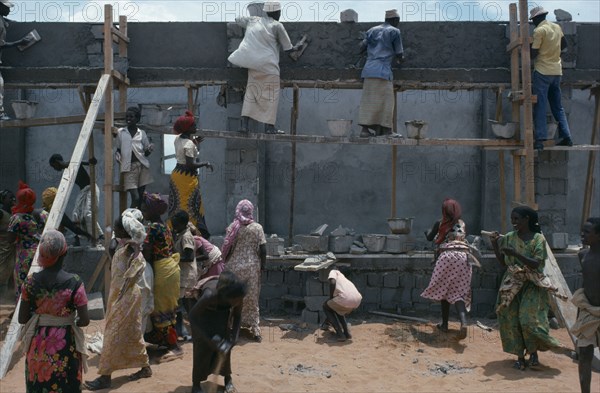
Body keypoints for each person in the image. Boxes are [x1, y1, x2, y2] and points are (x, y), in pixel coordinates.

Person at [85, 209, 153, 390]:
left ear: (126, 231)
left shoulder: (132, 249)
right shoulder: (122, 246)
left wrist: (134, 245)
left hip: (126, 298)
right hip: (120, 296)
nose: (114, 232)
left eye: (117, 229)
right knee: (133, 333)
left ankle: (105, 376)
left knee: (112, 335)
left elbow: (133, 270)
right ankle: (145, 367)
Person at [18, 229, 90, 393]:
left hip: (38, 345)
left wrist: (42, 317)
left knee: (40, 384)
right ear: (64, 254)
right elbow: (85, 320)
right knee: (66, 385)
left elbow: (22, 318)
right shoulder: (75, 282)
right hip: (65, 344)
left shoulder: (30, 282)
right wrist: (69, 320)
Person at [490, 206, 561, 370]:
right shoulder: (508, 237)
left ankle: (534, 352)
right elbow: (503, 262)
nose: (513, 222)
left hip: (532, 284)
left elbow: (536, 263)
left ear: (527, 219)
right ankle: (520, 357)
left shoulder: (538, 239)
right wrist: (495, 245)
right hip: (511, 284)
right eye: (512, 219)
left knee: (528, 320)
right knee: (511, 319)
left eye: (517, 219)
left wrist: (516, 254)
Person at [228, 1, 300, 134]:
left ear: (266, 12)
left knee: (251, 94)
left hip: (253, 66)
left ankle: (244, 126)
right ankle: (269, 128)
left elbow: (237, 19)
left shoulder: (253, 20)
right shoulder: (278, 26)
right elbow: (288, 49)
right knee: (271, 97)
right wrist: (298, 47)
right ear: (278, 13)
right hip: (269, 67)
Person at [140, 192, 183, 361]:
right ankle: (166, 342)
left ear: (152, 211)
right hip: (171, 268)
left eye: (145, 209)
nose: (143, 213)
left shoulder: (153, 228)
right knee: (169, 309)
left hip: (163, 271)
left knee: (161, 309)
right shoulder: (165, 226)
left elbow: (147, 252)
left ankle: (175, 347)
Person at [188, 271, 246, 393]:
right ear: (226, 296)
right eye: (235, 300)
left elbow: (237, 315)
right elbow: (192, 317)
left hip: (221, 315)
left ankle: (228, 378)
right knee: (201, 348)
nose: (237, 302)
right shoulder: (210, 295)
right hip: (201, 315)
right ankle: (196, 385)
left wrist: (234, 338)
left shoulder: (237, 294)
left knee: (225, 347)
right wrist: (208, 338)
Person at [421, 220, 478, 340]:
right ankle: (463, 323)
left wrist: (427, 232)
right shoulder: (462, 223)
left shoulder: (441, 223)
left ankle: (445, 324)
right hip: (464, 256)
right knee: (458, 293)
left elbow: (432, 238)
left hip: (447, 256)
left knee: (444, 289)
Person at [529, 6, 573, 150]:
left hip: (542, 72)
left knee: (540, 105)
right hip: (556, 72)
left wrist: (524, 51)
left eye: (533, 20)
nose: (533, 23)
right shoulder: (556, 27)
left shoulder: (539, 31)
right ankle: (567, 136)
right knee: (557, 106)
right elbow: (565, 47)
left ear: (536, 19)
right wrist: (554, 55)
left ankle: (540, 140)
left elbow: (533, 54)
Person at [222, 199, 266, 341]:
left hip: (233, 268)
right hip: (252, 268)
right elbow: (263, 249)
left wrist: (224, 264)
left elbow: (226, 249)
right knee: (251, 298)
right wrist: (263, 266)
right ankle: (255, 330)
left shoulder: (233, 227)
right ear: (250, 211)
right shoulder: (257, 228)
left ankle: (229, 328)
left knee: (232, 298)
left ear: (238, 210)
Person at [358, 9, 404, 138]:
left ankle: (365, 131)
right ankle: (387, 131)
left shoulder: (371, 30)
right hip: (383, 71)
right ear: (395, 20)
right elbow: (399, 53)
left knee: (368, 101)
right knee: (387, 101)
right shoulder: (394, 31)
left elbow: (361, 48)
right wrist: (401, 59)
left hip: (368, 70)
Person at [168, 111, 213, 239]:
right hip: (186, 178)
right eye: (194, 126)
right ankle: (193, 235)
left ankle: (173, 234)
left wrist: (194, 143)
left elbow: (183, 151)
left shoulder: (179, 139)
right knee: (191, 206)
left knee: (178, 206)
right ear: (188, 128)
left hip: (177, 175)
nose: (196, 128)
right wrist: (205, 163)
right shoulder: (188, 144)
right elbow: (190, 165)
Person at [49, 153, 104, 242]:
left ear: (56, 162)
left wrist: (91, 162)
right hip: (83, 191)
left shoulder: (72, 163)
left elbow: (83, 162)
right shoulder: (66, 172)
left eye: (53, 166)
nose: (54, 169)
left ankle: (98, 236)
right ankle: (79, 236)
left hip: (91, 188)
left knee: (87, 213)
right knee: (76, 214)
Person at [572, 217, 600, 393]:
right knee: (584, 356)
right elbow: (586, 284)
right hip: (588, 311)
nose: (582, 235)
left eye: (587, 232)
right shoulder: (583, 255)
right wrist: (579, 313)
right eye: (582, 231)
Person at [7, 181, 45, 297]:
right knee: (38, 283)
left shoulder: (17, 218)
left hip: (24, 256)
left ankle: (23, 311)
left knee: (23, 284)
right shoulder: (43, 214)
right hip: (41, 253)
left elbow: (10, 239)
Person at [115, 106, 154, 208]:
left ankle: (138, 221)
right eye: (127, 116)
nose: (128, 118)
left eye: (131, 117)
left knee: (140, 198)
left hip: (142, 166)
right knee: (135, 198)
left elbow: (146, 153)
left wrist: (149, 149)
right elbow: (118, 149)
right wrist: (117, 156)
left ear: (137, 119)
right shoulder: (121, 132)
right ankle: (126, 220)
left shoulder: (142, 133)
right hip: (129, 168)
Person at [1, 0, 33, 120]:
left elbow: (6, 22)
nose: (9, 10)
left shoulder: (2, 20)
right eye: (7, 8)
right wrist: (19, 42)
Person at [171, 209, 198, 340]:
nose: (174, 226)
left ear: (182, 223)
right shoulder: (180, 234)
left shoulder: (186, 236)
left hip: (187, 276)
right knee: (179, 306)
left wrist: (175, 258)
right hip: (182, 276)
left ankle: (197, 333)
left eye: (175, 224)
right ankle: (181, 331)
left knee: (189, 307)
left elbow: (189, 255)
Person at [321, 267, 362, 342]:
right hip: (358, 299)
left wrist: (331, 297)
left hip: (346, 298)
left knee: (325, 306)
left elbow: (332, 282)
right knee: (339, 309)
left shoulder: (334, 271)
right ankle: (346, 333)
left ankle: (340, 334)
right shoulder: (343, 279)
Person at [0, 189, 15, 292]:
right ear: (3, 200)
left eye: (13, 197)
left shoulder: (14, 213)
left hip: (12, 249)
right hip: (3, 249)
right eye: (10, 197)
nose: (13, 199)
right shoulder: (1, 213)